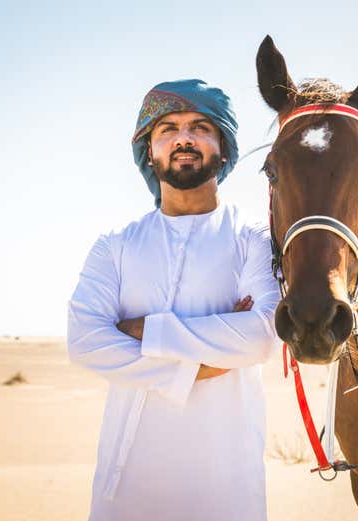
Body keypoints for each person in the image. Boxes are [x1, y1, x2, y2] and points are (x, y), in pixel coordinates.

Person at [67, 79, 280, 521]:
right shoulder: (116, 246)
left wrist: (144, 330)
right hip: (127, 486)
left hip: (226, 483)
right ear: (150, 151)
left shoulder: (254, 239)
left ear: (224, 148)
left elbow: (262, 336)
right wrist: (206, 362)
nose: (184, 137)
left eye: (201, 126)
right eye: (168, 129)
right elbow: (86, 342)